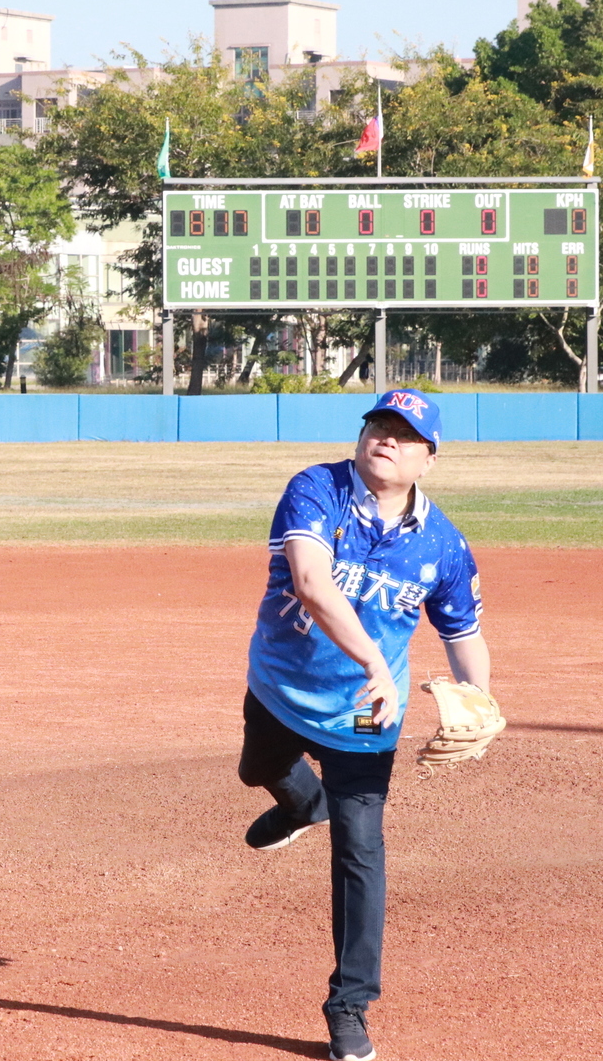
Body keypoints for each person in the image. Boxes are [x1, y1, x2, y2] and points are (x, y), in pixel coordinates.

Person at [237, 388, 491, 1061]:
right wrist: (376, 658)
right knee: (257, 769)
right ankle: (301, 801)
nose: (386, 436)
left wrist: (482, 700)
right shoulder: (316, 490)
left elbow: (463, 633)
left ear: (428, 459)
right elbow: (313, 583)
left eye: (404, 433)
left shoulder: (443, 544)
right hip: (282, 685)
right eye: (378, 423)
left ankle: (349, 1006)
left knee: (361, 852)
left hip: (365, 713)